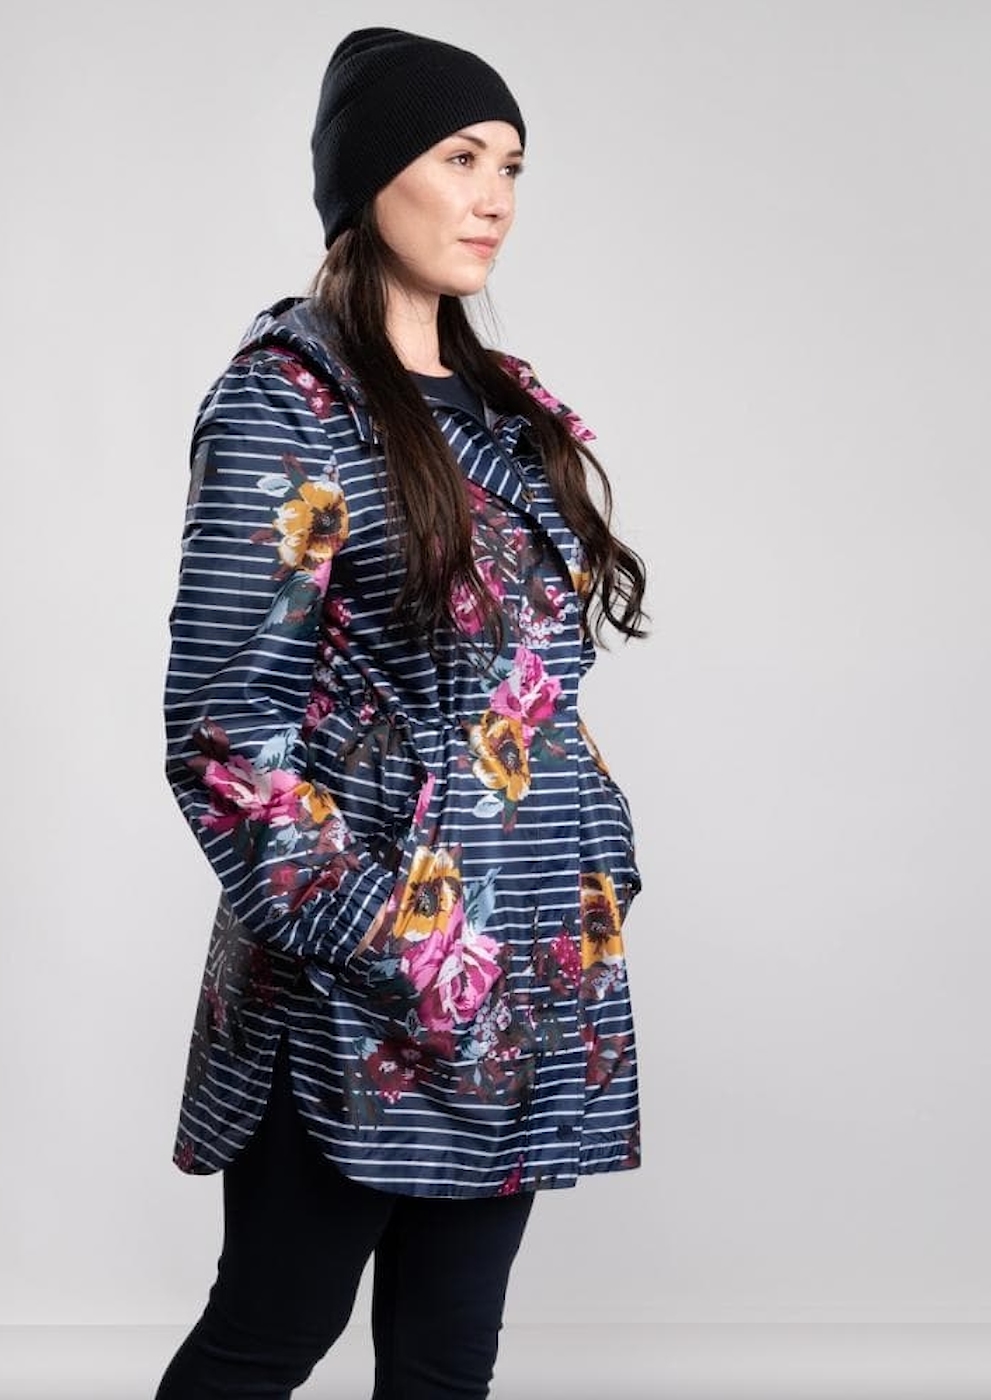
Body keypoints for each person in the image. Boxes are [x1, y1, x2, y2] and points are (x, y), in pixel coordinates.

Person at [155, 26, 648, 1400]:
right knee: (268, 1339)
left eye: (512, 167)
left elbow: (536, 689)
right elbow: (225, 733)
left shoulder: (503, 412)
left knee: (448, 1357)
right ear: (371, 177)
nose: (493, 197)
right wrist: (398, 941)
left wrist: (600, 854)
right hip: (359, 989)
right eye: (460, 158)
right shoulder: (288, 402)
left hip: (527, 978)